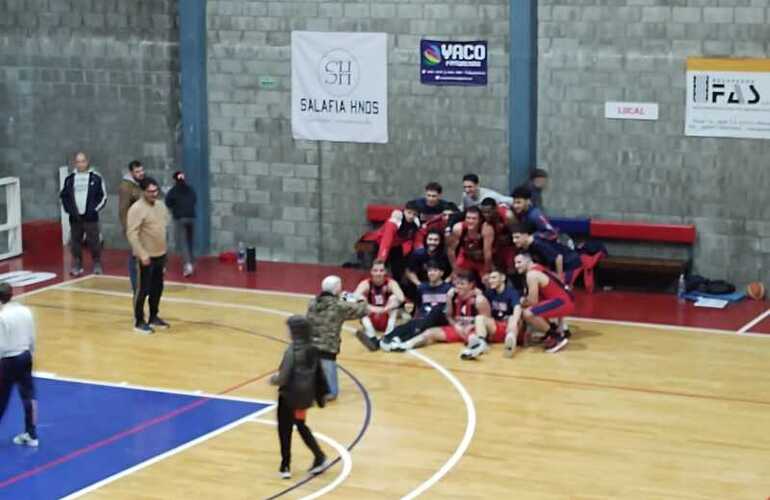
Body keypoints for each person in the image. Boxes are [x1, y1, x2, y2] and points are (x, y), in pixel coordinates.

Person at [270, 315, 329, 479]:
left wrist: (273, 380)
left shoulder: (291, 352)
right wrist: (321, 395)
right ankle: (319, 456)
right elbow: (319, 375)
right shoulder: (312, 349)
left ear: (295, 331)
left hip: (288, 396)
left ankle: (285, 464)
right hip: (304, 398)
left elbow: (283, 377)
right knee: (301, 426)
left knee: (284, 429)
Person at [306, 275, 383, 401]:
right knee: (331, 393)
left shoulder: (312, 303)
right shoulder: (339, 306)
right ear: (336, 289)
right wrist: (359, 299)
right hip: (327, 350)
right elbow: (363, 310)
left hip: (309, 347)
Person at [392, 271, 490, 351]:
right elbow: (448, 316)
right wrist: (455, 325)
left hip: (472, 331)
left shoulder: (479, 299)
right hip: (457, 328)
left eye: (462, 284)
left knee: (473, 338)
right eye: (457, 283)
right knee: (429, 333)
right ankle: (406, 345)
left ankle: (475, 349)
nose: (458, 286)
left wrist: (470, 327)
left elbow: (485, 322)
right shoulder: (452, 296)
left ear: (471, 285)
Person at [126, 177, 170, 334]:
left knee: (157, 287)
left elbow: (163, 227)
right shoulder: (136, 209)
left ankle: (153, 316)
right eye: (150, 191)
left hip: (160, 255)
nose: (154, 194)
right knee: (142, 289)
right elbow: (132, 233)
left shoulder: (160, 206)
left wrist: (165, 251)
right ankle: (139, 321)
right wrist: (142, 253)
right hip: (144, 257)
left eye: (156, 191)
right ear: (143, 192)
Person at [381, 260, 452, 352]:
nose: (431, 273)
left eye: (435, 270)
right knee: (410, 324)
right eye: (429, 271)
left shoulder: (448, 289)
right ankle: (385, 339)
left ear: (441, 273)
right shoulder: (422, 287)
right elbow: (418, 305)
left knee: (435, 310)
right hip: (422, 320)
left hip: (438, 319)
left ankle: (401, 340)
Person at [0, 282, 39, 447]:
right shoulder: (25, 311)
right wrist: (31, 352)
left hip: (7, 361)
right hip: (25, 357)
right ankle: (32, 434)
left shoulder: (2, 317)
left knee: (1, 398)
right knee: (29, 397)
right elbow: (32, 335)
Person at [514, 253, 574, 353]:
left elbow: (533, 301)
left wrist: (520, 302)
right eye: (515, 263)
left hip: (562, 302)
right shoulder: (538, 268)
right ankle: (556, 330)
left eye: (519, 262)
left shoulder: (531, 275)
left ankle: (556, 338)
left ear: (528, 261)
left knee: (528, 313)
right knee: (533, 307)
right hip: (564, 299)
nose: (516, 266)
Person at [59, 151, 107, 276]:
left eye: (83, 161)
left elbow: (103, 196)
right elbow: (64, 196)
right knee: (75, 241)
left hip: (90, 217)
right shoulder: (69, 179)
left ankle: (97, 263)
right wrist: (70, 210)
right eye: (78, 162)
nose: (81, 164)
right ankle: (78, 264)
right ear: (75, 163)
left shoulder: (96, 178)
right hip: (75, 217)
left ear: (87, 162)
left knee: (94, 241)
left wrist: (93, 210)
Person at [461, 269, 522, 360]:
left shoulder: (512, 292)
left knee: (513, 318)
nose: (491, 280)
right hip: (496, 326)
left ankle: (510, 344)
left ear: (503, 278)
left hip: (510, 327)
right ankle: (481, 343)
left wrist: (514, 322)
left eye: (494, 278)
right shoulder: (490, 293)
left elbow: (517, 308)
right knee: (479, 318)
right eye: (490, 278)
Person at [352, 260, 405, 351]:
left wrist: (385, 308)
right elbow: (353, 298)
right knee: (360, 299)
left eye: (381, 270)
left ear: (385, 272)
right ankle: (372, 337)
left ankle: (388, 335)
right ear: (371, 272)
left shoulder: (391, 283)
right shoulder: (366, 283)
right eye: (375, 270)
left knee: (394, 298)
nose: (378, 273)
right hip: (372, 317)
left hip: (386, 317)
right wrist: (372, 308)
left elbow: (402, 298)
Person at [447, 206, 495, 282]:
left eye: (474, 219)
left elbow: (487, 253)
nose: (470, 221)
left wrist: (487, 272)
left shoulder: (486, 229)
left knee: (489, 281)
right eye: (468, 218)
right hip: (465, 257)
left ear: (480, 220)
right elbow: (451, 250)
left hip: (481, 260)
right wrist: (455, 268)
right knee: (456, 280)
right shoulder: (458, 228)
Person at [119, 160, 146, 291]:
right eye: (137, 172)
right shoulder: (126, 187)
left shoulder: (141, 183)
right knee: (135, 256)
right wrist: (127, 229)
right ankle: (136, 285)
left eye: (142, 170)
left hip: (144, 226)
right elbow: (123, 210)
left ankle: (143, 282)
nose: (141, 173)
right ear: (131, 173)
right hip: (133, 227)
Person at [165, 171, 197, 277]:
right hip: (191, 217)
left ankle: (188, 265)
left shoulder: (173, 191)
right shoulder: (190, 189)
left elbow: (168, 202)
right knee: (190, 241)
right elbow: (194, 199)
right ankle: (192, 261)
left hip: (180, 219)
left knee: (183, 243)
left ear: (175, 180)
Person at [479, 197, 517, 274]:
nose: (486, 215)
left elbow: (518, 233)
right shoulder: (485, 223)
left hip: (510, 246)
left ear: (495, 209)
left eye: (489, 212)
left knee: (512, 270)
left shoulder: (507, 216)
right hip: (497, 247)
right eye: (484, 212)